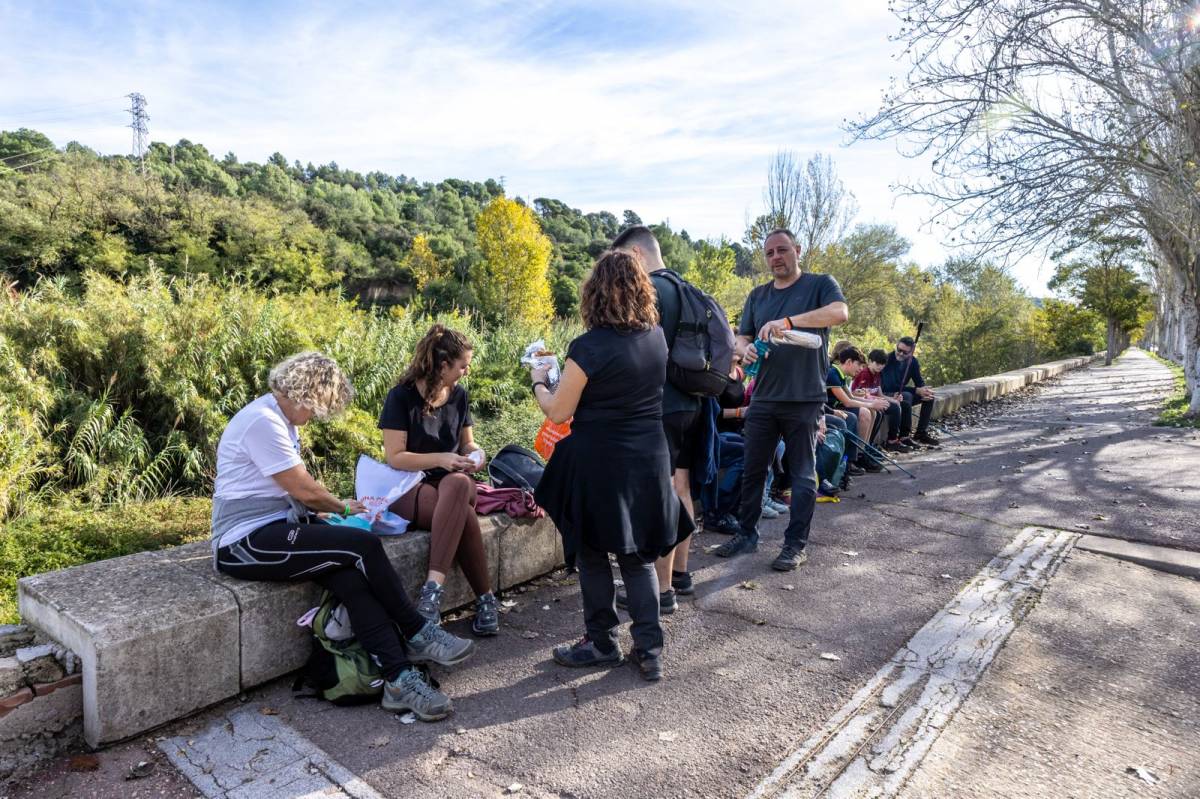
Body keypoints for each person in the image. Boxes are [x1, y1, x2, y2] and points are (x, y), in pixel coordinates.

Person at [212, 352, 474, 722]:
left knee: (351, 578)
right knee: (363, 543)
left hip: (277, 525)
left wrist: (324, 509)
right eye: (319, 408)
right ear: (307, 394)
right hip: (243, 542)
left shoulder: (281, 420)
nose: (316, 417)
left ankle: (398, 679)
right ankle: (416, 631)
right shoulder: (264, 422)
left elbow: (286, 492)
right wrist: (342, 508)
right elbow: (302, 488)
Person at [531, 249, 693, 682]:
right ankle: (650, 648)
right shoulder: (656, 336)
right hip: (648, 456)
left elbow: (558, 412)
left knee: (592, 552)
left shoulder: (588, 347)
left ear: (594, 293)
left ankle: (601, 641)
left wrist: (539, 381)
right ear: (642, 290)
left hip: (601, 459)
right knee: (636, 556)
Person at [714, 228, 849, 571]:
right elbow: (741, 338)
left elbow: (839, 313)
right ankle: (747, 534)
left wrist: (788, 321)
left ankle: (794, 545)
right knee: (753, 470)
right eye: (770, 253)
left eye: (782, 250)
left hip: (804, 398)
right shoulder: (758, 296)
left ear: (797, 250)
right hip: (764, 397)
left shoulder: (819, 284)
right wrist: (744, 351)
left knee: (803, 474)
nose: (776, 257)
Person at [380, 324, 499, 637]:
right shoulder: (401, 396)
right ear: (444, 365)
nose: (466, 371)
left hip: (453, 483)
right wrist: (441, 459)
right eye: (463, 366)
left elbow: (467, 443)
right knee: (463, 515)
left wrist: (475, 454)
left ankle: (430, 596)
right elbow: (396, 457)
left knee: (459, 485)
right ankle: (486, 600)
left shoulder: (459, 396)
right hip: (409, 485)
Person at [610, 225, 702, 606]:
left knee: (659, 494)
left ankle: (660, 590)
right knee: (682, 487)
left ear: (635, 254)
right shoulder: (688, 288)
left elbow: (636, 350)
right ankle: (680, 574)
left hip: (659, 406)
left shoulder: (651, 291)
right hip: (693, 403)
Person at [826, 347, 889, 474]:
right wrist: (872, 404)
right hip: (829, 409)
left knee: (872, 411)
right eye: (859, 364)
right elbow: (847, 402)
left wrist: (873, 403)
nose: (860, 369)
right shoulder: (833, 373)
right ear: (849, 362)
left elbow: (851, 396)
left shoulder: (840, 375)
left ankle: (862, 451)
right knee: (864, 412)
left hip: (839, 407)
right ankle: (852, 459)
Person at [880, 336, 940, 447]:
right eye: (899, 350)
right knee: (907, 396)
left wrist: (924, 390)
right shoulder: (887, 360)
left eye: (905, 352)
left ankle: (921, 433)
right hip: (887, 393)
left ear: (911, 352)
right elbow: (890, 385)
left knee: (929, 398)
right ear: (896, 346)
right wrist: (916, 390)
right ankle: (904, 436)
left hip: (902, 393)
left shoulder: (913, 362)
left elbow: (919, 382)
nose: (901, 354)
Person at [852, 348, 914, 452]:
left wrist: (893, 399)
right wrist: (886, 402)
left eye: (883, 364)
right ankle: (891, 441)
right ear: (870, 361)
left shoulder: (877, 374)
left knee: (904, 405)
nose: (880, 367)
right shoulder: (864, 374)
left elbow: (880, 394)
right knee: (893, 408)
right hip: (865, 402)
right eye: (878, 363)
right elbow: (864, 395)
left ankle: (903, 436)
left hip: (874, 400)